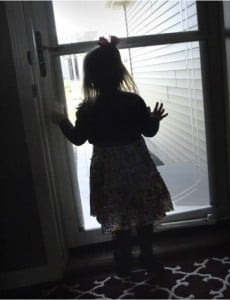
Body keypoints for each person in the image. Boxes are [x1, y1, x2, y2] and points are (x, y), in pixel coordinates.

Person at [52, 36, 173, 276]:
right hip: (137, 168)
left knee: (119, 219)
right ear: (120, 74)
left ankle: (123, 261)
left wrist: (62, 120)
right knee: (143, 215)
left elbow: (78, 139)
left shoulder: (88, 109)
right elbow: (149, 131)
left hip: (108, 172)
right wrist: (155, 118)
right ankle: (147, 257)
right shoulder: (134, 102)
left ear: (91, 80)